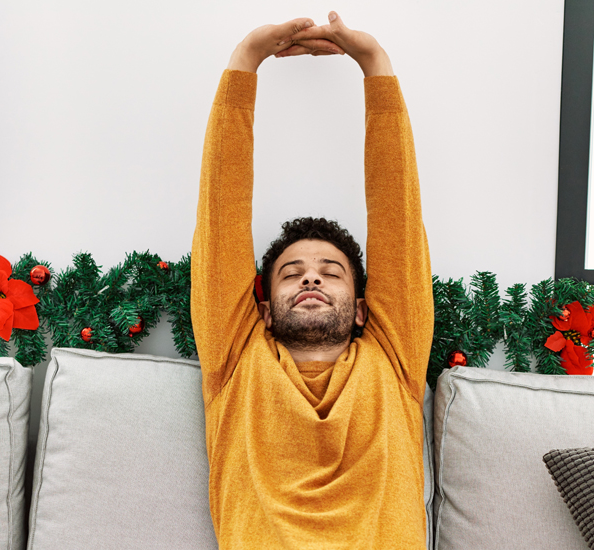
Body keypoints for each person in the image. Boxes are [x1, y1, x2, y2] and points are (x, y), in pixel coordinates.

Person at [191, 11, 433, 549]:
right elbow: (220, 217)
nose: (311, 280)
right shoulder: (235, 360)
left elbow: (398, 220)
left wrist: (376, 64)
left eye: (332, 273)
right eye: (291, 274)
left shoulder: (393, 359)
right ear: (263, 308)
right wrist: (244, 60)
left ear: (365, 308)